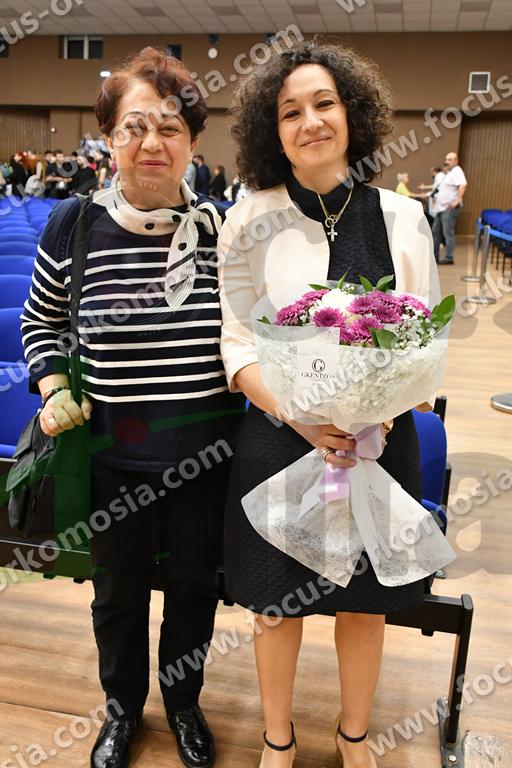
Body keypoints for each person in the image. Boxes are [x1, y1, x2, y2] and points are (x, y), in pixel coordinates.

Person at [21, 46, 244, 768]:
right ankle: (122, 710)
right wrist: (54, 387)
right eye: (135, 127)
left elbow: (250, 336)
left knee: (192, 591)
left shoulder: (223, 232)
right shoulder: (74, 226)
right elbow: (40, 323)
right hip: (111, 455)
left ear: (193, 142)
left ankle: (183, 704)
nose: (153, 142)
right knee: (116, 595)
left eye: (171, 127)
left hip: (205, 456)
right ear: (109, 139)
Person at [218, 40, 440, 768]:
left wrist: (382, 408)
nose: (310, 121)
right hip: (282, 436)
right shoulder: (249, 218)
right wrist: (303, 418)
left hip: (379, 440)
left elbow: (423, 333)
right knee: (275, 605)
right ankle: (276, 741)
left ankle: (354, 738)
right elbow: (237, 341)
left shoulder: (403, 217)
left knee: (365, 604)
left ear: (352, 114)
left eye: (324, 104)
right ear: (272, 131)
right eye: (290, 112)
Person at [431, 152, 467, 265]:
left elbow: (462, 185)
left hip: (449, 208)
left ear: (456, 161)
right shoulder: (449, 173)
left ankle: (449, 258)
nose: (447, 161)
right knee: (436, 232)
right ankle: (434, 256)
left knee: (447, 233)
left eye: (450, 160)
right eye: (446, 159)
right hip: (441, 208)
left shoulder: (457, 170)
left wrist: (456, 200)